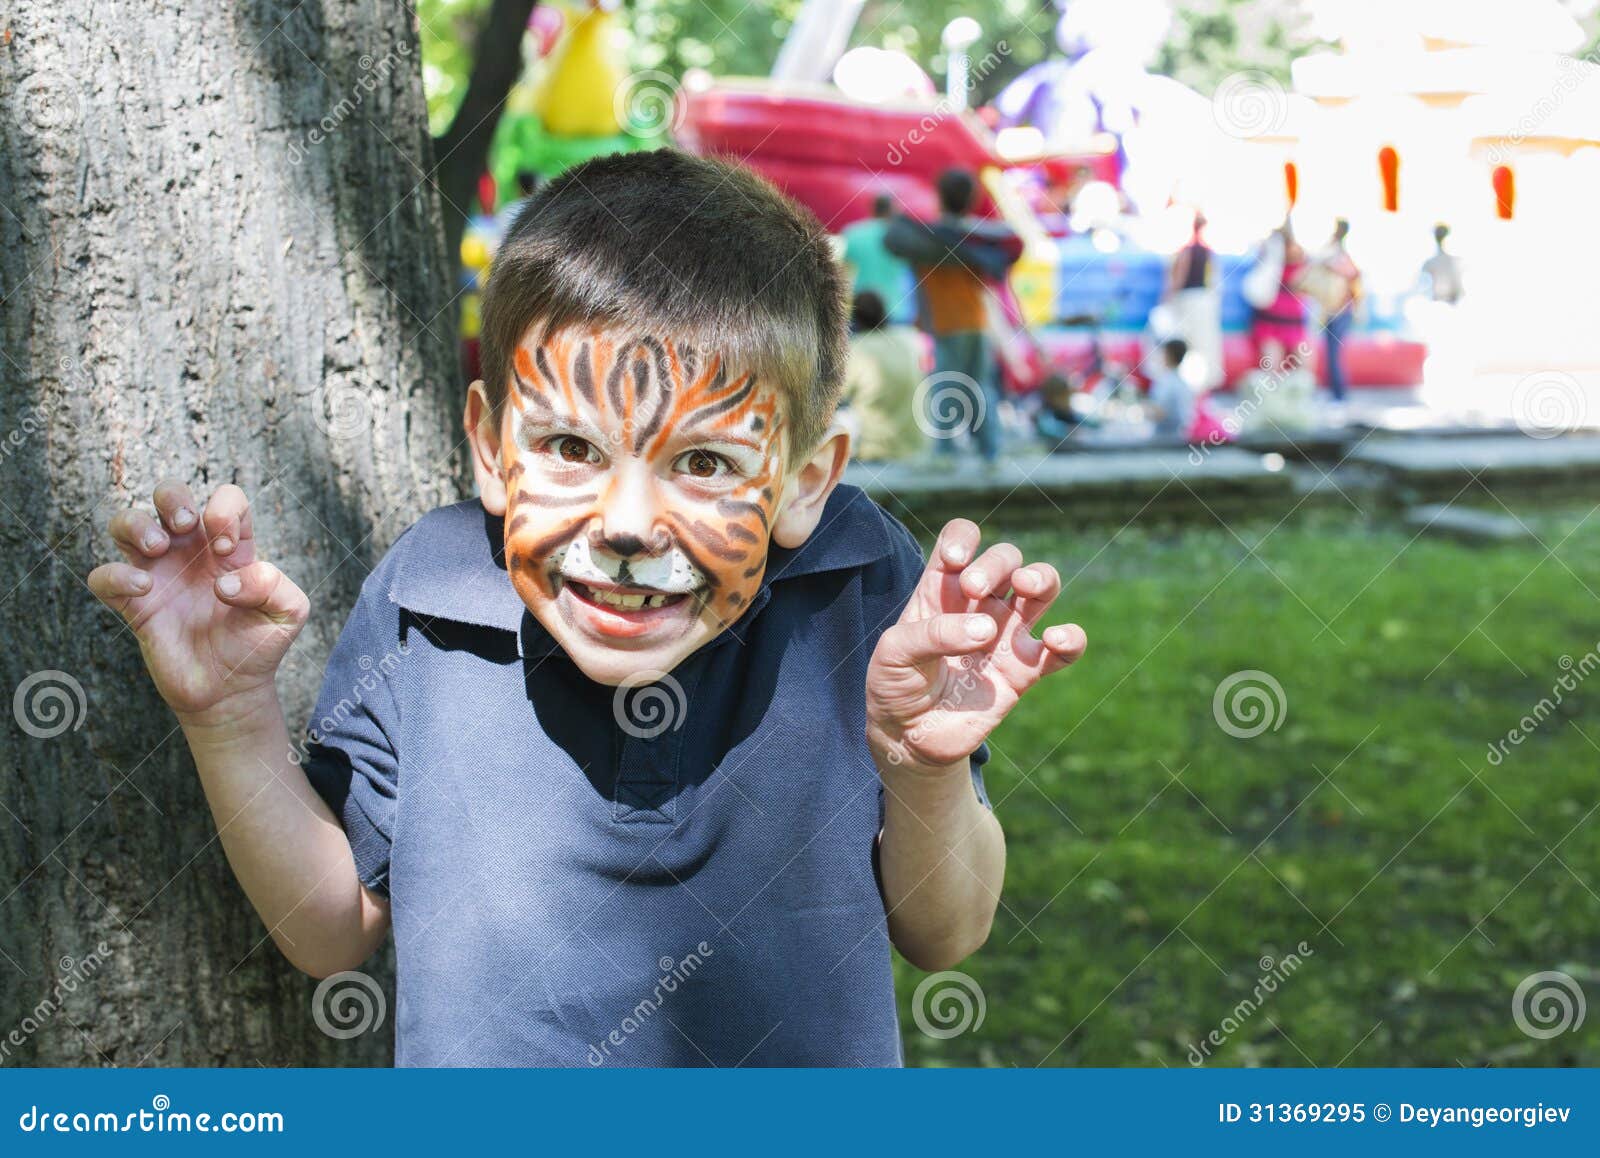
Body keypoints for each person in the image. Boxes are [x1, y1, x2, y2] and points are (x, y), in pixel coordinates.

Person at [87, 150, 1088, 1068]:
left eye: (702, 463)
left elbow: (946, 930)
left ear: (803, 481)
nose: (626, 524)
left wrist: (923, 765)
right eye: (571, 448)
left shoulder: (858, 584)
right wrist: (226, 717)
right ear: (489, 447)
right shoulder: (428, 595)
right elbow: (329, 931)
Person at [885, 167, 1019, 467]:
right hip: (977, 321)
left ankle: (945, 454)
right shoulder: (979, 237)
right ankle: (990, 453)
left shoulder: (928, 236)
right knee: (980, 387)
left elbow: (893, 239)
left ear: (940, 196)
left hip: (948, 323)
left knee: (946, 385)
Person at [841, 290, 926, 462]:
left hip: (875, 450)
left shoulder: (857, 347)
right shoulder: (909, 339)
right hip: (917, 445)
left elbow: (836, 396)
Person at [1162, 209, 1222, 389]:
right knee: (1204, 344)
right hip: (1204, 300)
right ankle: (1203, 384)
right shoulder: (1208, 252)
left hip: (1189, 300)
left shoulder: (1187, 251)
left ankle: (1192, 384)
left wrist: (1167, 299)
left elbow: (1178, 279)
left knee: (1189, 341)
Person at [1245, 219, 1309, 374]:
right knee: (1299, 361)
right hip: (1290, 312)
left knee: (1272, 363)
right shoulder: (1299, 253)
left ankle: (1273, 393)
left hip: (1273, 311)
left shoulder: (1270, 250)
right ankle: (1296, 392)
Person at [840, 193, 914, 325]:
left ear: (873, 209)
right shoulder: (903, 236)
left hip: (862, 311)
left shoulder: (853, 233)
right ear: (894, 210)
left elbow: (843, 274)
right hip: (897, 310)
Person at [1315, 218, 1362, 405]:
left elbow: (1352, 276)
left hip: (1339, 310)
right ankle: (1336, 393)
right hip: (1335, 309)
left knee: (1333, 353)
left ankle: (1338, 394)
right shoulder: (1336, 253)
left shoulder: (1340, 255)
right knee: (1332, 352)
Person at [1146, 338, 1195, 439]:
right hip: (1181, 437)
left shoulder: (1166, 382)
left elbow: (1159, 413)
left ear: (1169, 355)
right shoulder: (1184, 383)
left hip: (1164, 440)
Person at [1420, 223, 1464, 305]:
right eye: (1439, 235)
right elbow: (1423, 289)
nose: (1441, 238)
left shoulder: (1457, 261)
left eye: (1442, 235)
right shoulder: (1429, 263)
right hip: (1437, 304)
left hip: (1453, 303)